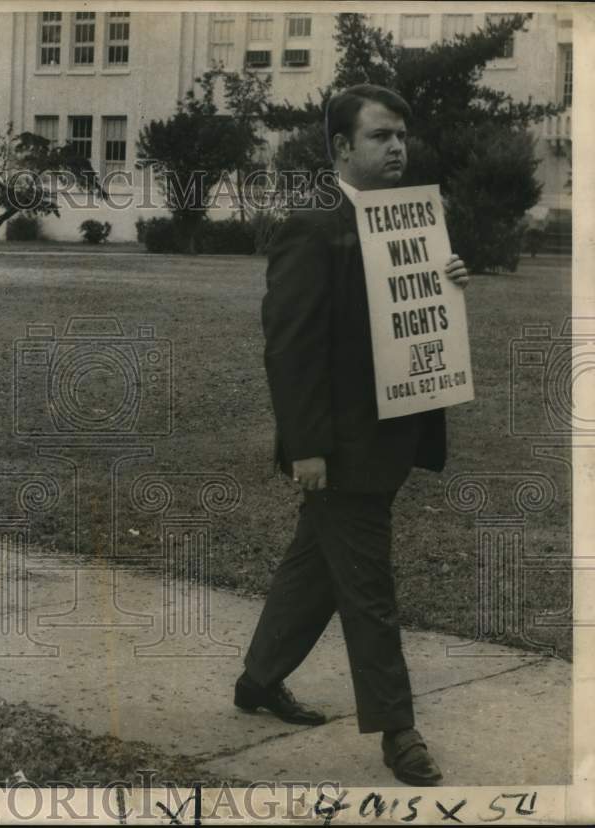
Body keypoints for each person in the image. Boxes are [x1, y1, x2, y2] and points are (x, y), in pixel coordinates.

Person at [236, 85, 470, 787]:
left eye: (402, 135)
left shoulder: (412, 222)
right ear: (342, 148)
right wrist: (306, 445)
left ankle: (258, 680)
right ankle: (399, 733)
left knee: (316, 567)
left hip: (390, 438)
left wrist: (449, 279)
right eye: (380, 136)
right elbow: (291, 347)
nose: (397, 146)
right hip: (340, 447)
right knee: (368, 589)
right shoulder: (313, 225)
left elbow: (409, 317)